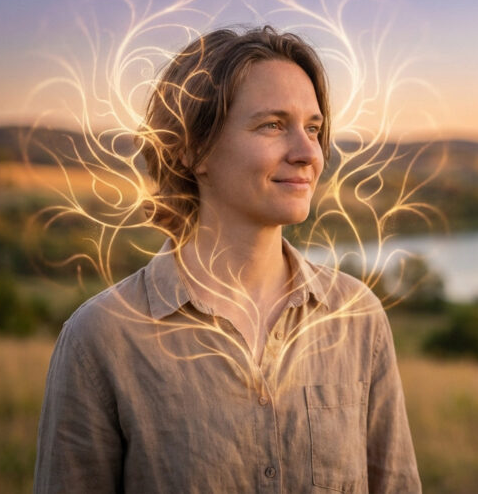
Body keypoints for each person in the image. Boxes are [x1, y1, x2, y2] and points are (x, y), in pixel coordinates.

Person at [34, 26, 421, 493]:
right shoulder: (103, 338)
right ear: (192, 149)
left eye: (314, 128)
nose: (308, 153)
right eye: (273, 125)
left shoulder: (356, 317)